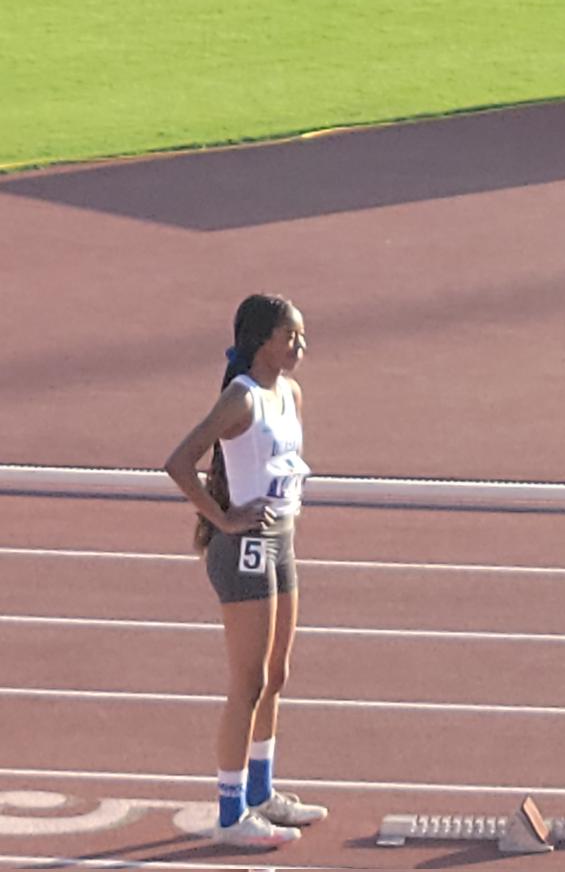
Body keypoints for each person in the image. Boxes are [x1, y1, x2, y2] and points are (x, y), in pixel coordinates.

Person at [165, 293, 328, 847]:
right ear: (262, 341)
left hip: (281, 542)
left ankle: (262, 792)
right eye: (291, 336)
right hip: (245, 548)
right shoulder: (242, 398)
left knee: (276, 676)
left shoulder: (292, 394)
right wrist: (224, 519)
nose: (300, 345)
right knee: (248, 683)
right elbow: (180, 461)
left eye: (301, 336)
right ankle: (231, 813)